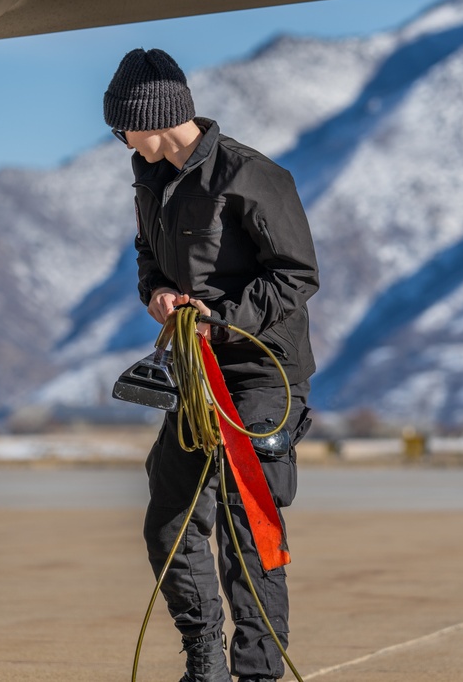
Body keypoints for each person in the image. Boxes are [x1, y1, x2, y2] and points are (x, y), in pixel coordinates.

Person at [104, 48, 319, 682]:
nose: (118, 140)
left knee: (246, 525)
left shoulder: (252, 177)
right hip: (195, 375)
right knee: (168, 516)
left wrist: (219, 315)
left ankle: (256, 672)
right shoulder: (149, 178)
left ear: (153, 119)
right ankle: (204, 657)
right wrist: (158, 293)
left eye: (122, 127)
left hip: (260, 373)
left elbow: (297, 277)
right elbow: (148, 251)